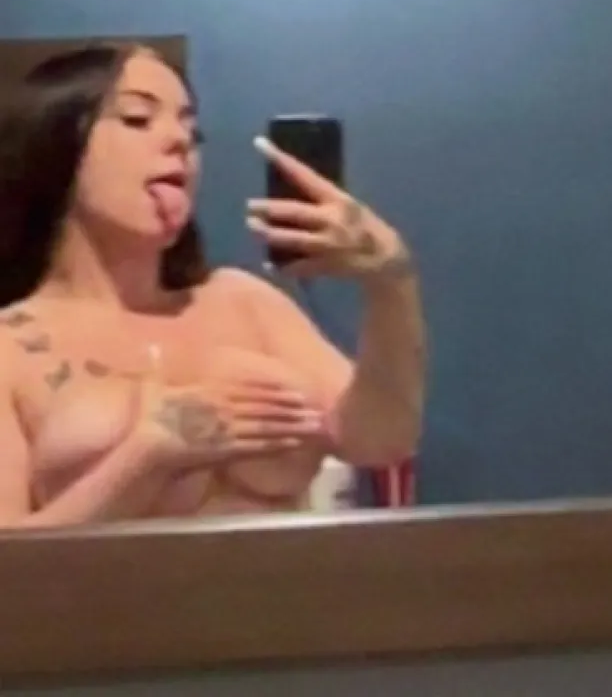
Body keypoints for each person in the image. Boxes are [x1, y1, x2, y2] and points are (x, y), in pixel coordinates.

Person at [0, 43, 426, 528]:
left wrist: (391, 282)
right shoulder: (11, 347)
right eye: (138, 119)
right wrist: (151, 454)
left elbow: (382, 438)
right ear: (58, 147)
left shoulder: (244, 302)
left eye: (191, 128)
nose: (178, 140)